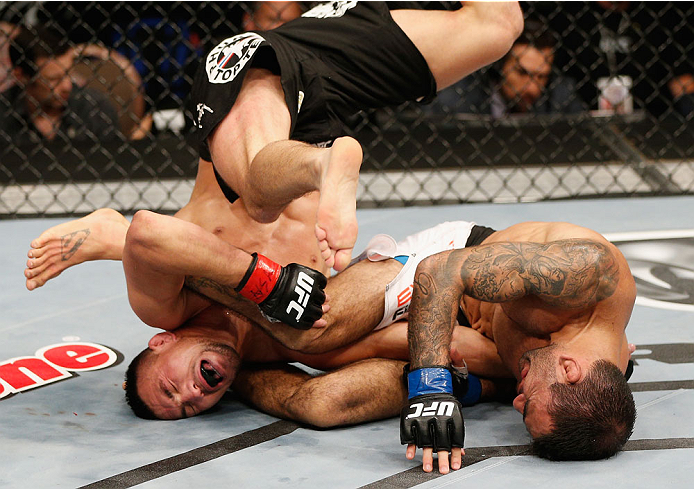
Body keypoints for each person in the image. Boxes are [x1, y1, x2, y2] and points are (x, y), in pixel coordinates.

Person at [190, 1, 524, 272]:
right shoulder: (308, 324)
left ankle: (323, 164)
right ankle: (321, 164)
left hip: (261, 63)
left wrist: (250, 283)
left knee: (258, 196)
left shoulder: (194, 266)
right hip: (322, 56)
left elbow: (145, 234)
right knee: (497, 24)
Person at [401, 220, 637, 472]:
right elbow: (441, 270)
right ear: (569, 370)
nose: (516, 402)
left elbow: (503, 383)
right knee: (355, 319)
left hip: (465, 331)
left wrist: (471, 388)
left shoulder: (591, 371)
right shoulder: (587, 270)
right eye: (528, 405)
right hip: (457, 261)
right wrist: (429, 388)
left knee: (382, 387)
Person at [424, 19, 584, 117]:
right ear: (499, 66)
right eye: (522, 73)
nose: (533, 88)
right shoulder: (457, 100)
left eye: (541, 76)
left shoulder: (560, 96)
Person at [1, 25, 121, 144]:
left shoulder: (95, 109)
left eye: (68, 74)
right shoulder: (3, 114)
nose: (67, 86)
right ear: (20, 76)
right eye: (54, 79)